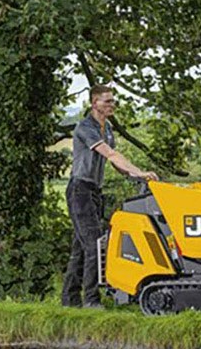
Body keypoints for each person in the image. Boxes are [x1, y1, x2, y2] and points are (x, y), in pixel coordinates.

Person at [61, 85, 158, 308]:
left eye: (113, 101)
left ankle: (69, 300)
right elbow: (111, 154)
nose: (111, 105)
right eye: (107, 101)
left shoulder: (107, 130)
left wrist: (136, 176)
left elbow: (116, 164)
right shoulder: (86, 127)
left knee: (80, 247)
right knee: (95, 244)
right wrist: (139, 171)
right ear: (94, 103)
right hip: (80, 191)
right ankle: (92, 301)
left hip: (94, 191)